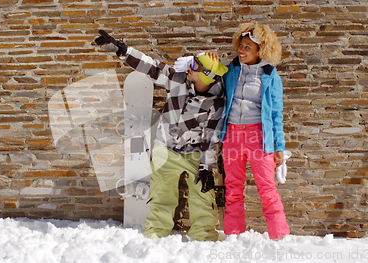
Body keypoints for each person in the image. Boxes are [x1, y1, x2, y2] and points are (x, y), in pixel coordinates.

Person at [94, 30, 228, 241]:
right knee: (161, 196)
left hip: (194, 153)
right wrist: (122, 49)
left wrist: (205, 169)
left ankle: (204, 238)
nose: (188, 67)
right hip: (165, 150)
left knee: (203, 196)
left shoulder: (216, 103)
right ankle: (155, 236)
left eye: (194, 65)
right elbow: (151, 67)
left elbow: (211, 138)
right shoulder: (177, 80)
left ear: (206, 75)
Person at [209, 22, 290, 240]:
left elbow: (276, 114)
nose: (241, 51)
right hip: (232, 136)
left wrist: (279, 147)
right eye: (241, 45)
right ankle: (234, 234)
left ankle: (279, 236)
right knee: (233, 188)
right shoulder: (231, 70)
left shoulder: (270, 76)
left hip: (258, 137)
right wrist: (209, 60)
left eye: (247, 47)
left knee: (267, 188)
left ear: (259, 51)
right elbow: (208, 71)